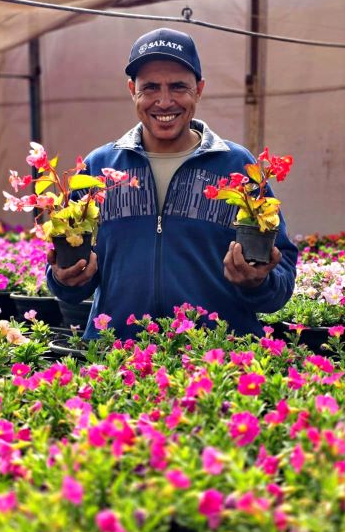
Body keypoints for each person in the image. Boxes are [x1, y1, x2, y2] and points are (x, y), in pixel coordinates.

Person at [46, 27, 297, 340]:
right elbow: (69, 285)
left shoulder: (235, 166)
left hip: (217, 367)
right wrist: (64, 278)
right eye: (150, 87)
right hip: (118, 363)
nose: (164, 102)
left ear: (199, 89)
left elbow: (282, 274)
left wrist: (259, 282)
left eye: (178, 87)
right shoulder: (99, 169)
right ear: (131, 89)